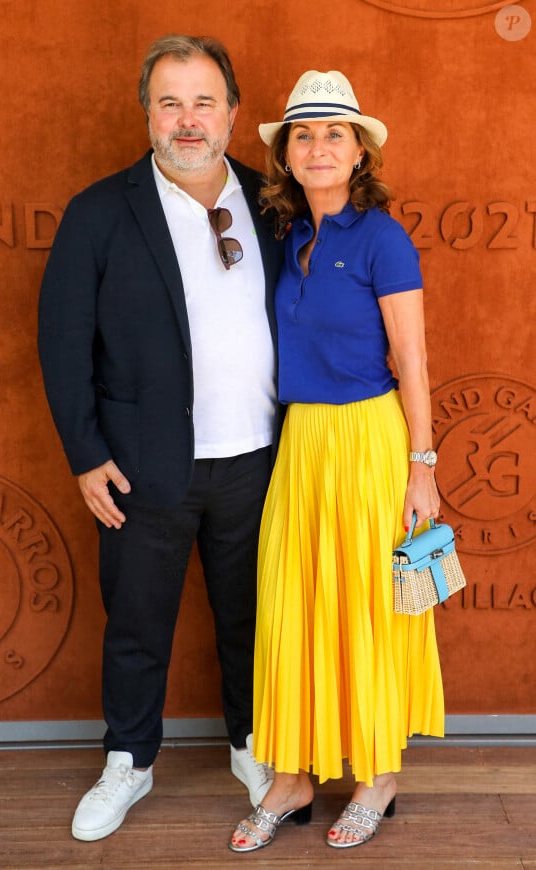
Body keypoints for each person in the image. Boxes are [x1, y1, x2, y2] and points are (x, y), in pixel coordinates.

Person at [38, 34, 284, 842]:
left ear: (233, 113)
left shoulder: (270, 201)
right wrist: (84, 455)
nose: (188, 119)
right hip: (143, 469)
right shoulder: (100, 212)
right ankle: (130, 761)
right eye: (170, 101)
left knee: (253, 619)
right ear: (147, 113)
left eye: (204, 100)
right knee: (137, 622)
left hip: (259, 459)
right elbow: (64, 341)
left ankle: (253, 747)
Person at [229, 69, 444, 853]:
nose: (318, 146)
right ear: (287, 152)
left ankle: (378, 773)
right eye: (304, 134)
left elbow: (413, 359)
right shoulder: (287, 235)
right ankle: (292, 778)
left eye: (335, 133)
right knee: (294, 602)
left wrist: (422, 466)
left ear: (360, 153)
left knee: (367, 606)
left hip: (368, 440)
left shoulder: (384, 237)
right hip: (302, 443)